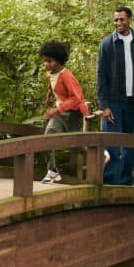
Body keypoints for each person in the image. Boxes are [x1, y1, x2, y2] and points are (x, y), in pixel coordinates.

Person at [97, 6, 134, 185]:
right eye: (116, 20)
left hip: (133, 101)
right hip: (113, 101)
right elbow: (101, 76)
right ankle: (111, 181)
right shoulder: (107, 44)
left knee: (131, 143)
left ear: (130, 19)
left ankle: (126, 180)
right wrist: (104, 105)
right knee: (111, 142)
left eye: (121, 19)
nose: (118, 23)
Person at [38, 40, 89, 184]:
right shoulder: (49, 73)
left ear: (59, 61)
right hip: (61, 111)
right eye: (45, 61)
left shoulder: (66, 76)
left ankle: (97, 155)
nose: (47, 64)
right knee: (48, 137)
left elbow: (77, 97)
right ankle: (52, 171)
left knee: (75, 141)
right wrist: (48, 97)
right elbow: (51, 85)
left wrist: (56, 110)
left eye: (50, 61)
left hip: (73, 112)